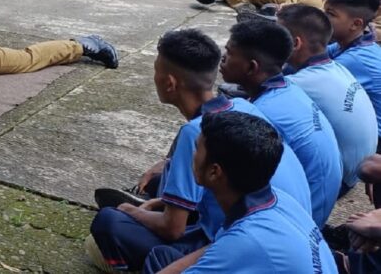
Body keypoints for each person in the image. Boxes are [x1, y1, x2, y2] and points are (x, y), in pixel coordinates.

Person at [86, 28, 312, 273]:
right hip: (283, 220)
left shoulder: (197, 133)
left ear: (170, 83)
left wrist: (129, 210)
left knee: (109, 222)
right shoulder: (241, 106)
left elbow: (172, 229)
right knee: (162, 184)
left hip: (238, 239)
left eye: (156, 71)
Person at [149, 111, 336, 273]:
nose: (192, 155)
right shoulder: (279, 200)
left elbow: (231, 247)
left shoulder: (246, 239)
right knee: (163, 257)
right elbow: (215, 248)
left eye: (197, 149)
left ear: (214, 172)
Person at [223, 19, 341, 227]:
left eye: (230, 53)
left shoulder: (262, 113)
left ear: (252, 67)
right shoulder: (287, 89)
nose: (223, 58)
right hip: (314, 205)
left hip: (299, 219)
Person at [277, 4, 377, 194]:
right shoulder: (336, 67)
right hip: (355, 173)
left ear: (296, 44)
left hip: (336, 183)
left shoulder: (298, 84)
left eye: (275, 37)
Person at [325, 0, 381, 139]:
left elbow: (306, 76)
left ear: (356, 24)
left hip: (374, 143)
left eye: (330, 14)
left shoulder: (355, 60)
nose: (323, 19)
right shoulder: (346, 44)